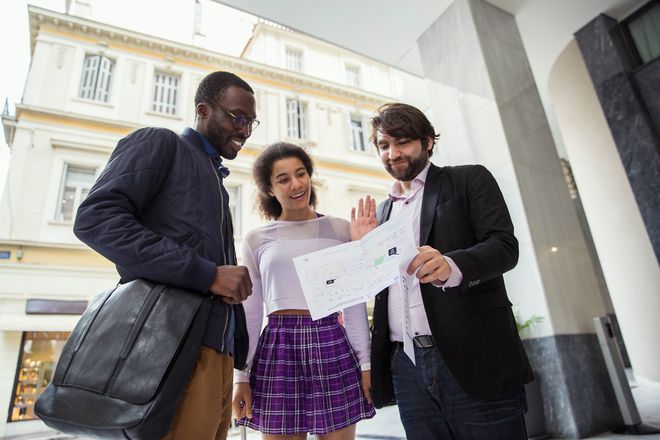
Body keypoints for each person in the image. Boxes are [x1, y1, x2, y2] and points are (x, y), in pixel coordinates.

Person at [73, 71, 257, 440]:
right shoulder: (160, 143)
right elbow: (95, 220)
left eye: (251, 121)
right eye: (237, 117)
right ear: (203, 110)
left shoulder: (216, 181)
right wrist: (207, 274)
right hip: (173, 350)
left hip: (216, 353)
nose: (246, 130)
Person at [367, 103, 533, 439]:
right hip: (407, 365)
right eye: (384, 145)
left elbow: (504, 247)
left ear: (428, 141)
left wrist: (452, 264)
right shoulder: (381, 213)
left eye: (403, 142)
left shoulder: (468, 179)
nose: (393, 153)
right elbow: (382, 285)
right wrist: (363, 252)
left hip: (474, 355)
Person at [232, 142, 376, 439]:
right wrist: (240, 375)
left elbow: (353, 303)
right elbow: (252, 312)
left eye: (300, 174)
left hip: (332, 342)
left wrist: (366, 363)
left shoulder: (339, 230)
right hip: (278, 345)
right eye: (283, 179)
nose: (295, 184)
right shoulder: (257, 239)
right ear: (270, 189)